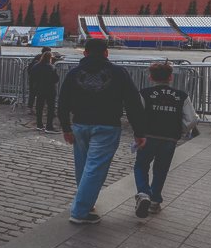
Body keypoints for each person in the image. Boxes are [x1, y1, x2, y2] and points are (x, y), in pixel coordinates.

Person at [58, 38, 146, 224]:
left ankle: (87, 204)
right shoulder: (118, 73)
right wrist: (139, 132)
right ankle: (80, 212)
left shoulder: (74, 73)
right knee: (95, 168)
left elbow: (63, 101)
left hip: (80, 125)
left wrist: (66, 127)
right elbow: (133, 103)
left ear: (85, 53)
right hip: (107, 125)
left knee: (82, 167)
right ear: (106, 53)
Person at [132, 62, 198, 217]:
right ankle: (155, 201)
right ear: (170, 77)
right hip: (169, 138)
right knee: (161, 169)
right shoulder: (181, 96)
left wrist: (138, 133)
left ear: (150, 77)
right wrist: (179, 130)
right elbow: (192, 119)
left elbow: (137, 115)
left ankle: (143, 193)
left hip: (148, 136)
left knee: (141, 166)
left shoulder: (144, 93)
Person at [30, 51, 60, 132]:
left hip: (39, 89)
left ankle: (39, 125)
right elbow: (56, 79)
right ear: (50, 58)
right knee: (51, 108)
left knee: (39, 107)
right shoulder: (52, 67)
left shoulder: (36, 66)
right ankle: (49, 126)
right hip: (50, 90)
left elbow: (32, 76)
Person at [27, 47, 52, 114]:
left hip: (33, 80)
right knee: (41, 96)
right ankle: (39, 109)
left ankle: (31, 108)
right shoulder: (45, 61)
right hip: (40, 81)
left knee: (32, 94)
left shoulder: (36, 59)